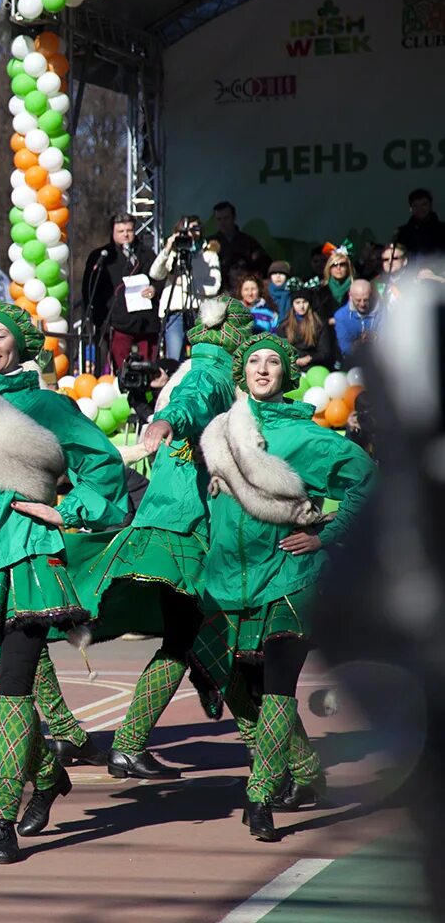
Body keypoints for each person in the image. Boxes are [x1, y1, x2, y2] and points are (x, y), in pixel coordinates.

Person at [0, 301, 128, 864]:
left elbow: (105, 466)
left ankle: (1, 820)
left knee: (15, 688)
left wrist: (67, 511)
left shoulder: (49, 407)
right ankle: (46, 776)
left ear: (21, 344)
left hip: (30, 561)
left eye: (1, 336)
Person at [195, 333, 374, 840]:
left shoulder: (310, 438)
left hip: (290, 580)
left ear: (287, 374)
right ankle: (308, 774)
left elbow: (367, 483)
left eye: (273, 361)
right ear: (242, 372)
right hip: (227, 582)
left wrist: (326, 536)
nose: (263, 369)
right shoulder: (220, 432)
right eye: (254, 361)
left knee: (278, 687)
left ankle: (259, 797)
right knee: (239, 687)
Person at [78, 297, 253, 780]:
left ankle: (131, 744)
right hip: (186, 526)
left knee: (192, 636)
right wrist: (169, 419)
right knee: (214, 635)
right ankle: (282, 758)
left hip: (179, 521)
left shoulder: (210, 373)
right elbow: (193, 399)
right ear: (235, 337)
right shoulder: (213, 373)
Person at [88, 214, 161, 369]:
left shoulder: (146, 254)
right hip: (118, 322)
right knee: (122, 368)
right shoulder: (102, 257)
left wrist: (154, 289)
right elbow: (91, 290)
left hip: (146, 322)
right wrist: (100, 319)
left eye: (129, 230)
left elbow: (160, 277)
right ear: (113, 232)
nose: (126, 234)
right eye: (121, 231)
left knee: (148, 368)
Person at [150, 214, 223, 359]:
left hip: (199, 311)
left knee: (201, 356)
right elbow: (155, 274)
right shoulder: (174, 252)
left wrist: (186, 284)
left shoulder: (209, 255)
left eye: (196, 229)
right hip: (175, 312)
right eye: (187, 230)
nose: (192, 233)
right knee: (175, 357)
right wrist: (167, 249)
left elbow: (215, 286)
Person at [278, 286, 338, 371]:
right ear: (293, 304)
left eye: (304, 302)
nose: (301, 306)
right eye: (297, 302)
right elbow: (282, 350)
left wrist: (310, 358)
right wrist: (294, 360)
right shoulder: (284, 326)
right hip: (292, 367)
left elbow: (325, 352)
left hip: (314, 366)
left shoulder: (319, 325)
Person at [212, 201, 270, 288]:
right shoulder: (210, 243)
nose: (222, 223)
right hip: (218, 292)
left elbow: (264, 266)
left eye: (226, 218)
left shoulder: (249, 242)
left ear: (234, 217)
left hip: (245, 290)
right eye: (219, 219)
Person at [332, 279, 378, 361]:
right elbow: (344, 348)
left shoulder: (381, 311)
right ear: (350, 296)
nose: (362, 304)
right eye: (358, 300)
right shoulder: (341, 316)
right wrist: (359, 343)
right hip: (353, 360)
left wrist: (375, 337)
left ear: (371, 295)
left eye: (366, 299)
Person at [395, 187, 445, 256]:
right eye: (415, 206)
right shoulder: (403, 233)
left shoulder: (442, 230)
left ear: (430, 206)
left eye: (424, 205)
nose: (420, 209)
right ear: (410, 208)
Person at [316, 247, 356, 324]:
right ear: (329, 268)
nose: (338, 268)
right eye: (334, 265)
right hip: (328, 333)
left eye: (342, 264)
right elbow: (318, 318)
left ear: (348, 267)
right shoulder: (321, 292)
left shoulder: (357, 290)